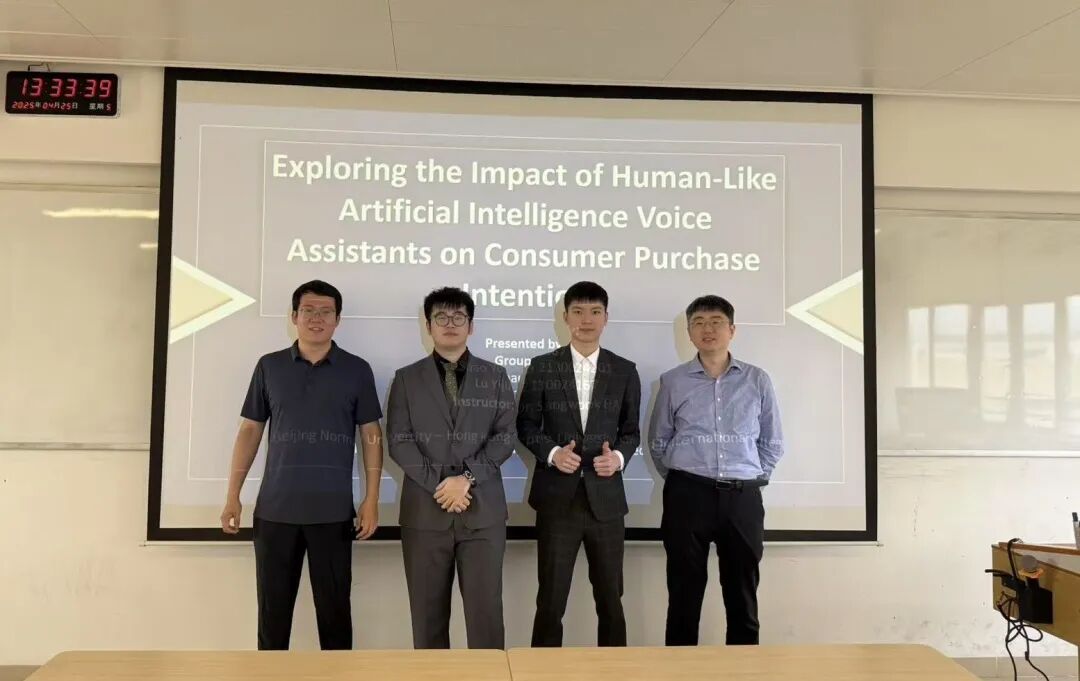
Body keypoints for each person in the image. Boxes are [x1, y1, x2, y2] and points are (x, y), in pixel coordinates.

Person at [219, 280, 383, 650]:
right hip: (275, 513)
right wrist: (232, 496)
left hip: (332, 514)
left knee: (335, 620)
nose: (317, 318)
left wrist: (371, 498)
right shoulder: (269, 366)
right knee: (272, 622)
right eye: (308, 310)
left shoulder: (357, 370)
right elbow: (250, 431)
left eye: (326, 311)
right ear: (294, 316)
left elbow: (371, 434)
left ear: (338, 320)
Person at [649, 295, 784, 647]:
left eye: (716, 322)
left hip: (742, 498)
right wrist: (685, 479)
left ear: (732, 330)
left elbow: (772, 442)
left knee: (742, 598)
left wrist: (751, 478)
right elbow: (659, 442)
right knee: (683, 596)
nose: (707, 329)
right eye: (699, 322)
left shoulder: (757, 379)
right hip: (688, 496)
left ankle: (744, 669)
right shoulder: (673, 381)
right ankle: (680, 669)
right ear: (689, 332)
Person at [387, 287, 517, 649]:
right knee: (427, 620)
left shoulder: (495, 376)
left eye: (459, 317)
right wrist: (443, 485)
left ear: (470, 326)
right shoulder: (406, 379)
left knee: (485, 618)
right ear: (428, 325)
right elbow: (399, 441)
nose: (450, 323)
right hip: (425, 515)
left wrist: (467, 479)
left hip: (483, 515)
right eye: (441, 317)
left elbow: (505, 436)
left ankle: (489, 675)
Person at [517, 281, 641, 647]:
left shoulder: (624, 370)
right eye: (578, 312)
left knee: (611, 600)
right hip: (558, 501)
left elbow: (631, 432)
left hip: (606, 502)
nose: (587, 320)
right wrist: (553, 453)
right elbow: (526, 425)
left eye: (595, 312)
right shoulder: (543, 367)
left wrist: (618, 458)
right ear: (565, 317)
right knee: (550, 601)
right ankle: (541, 671)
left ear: (606, 318)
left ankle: (614, 671)